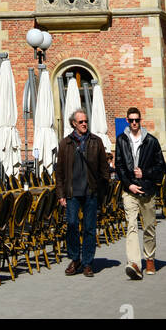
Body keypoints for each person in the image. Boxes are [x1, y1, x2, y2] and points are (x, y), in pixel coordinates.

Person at [55, 108, 110, 278]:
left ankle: (87, 262)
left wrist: (102, 188)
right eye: (81, 122)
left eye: (86, 121)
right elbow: (59, 172)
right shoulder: (65, 143)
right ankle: (74, 258)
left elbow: (104, 168)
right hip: (72, 192)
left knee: (89, 228)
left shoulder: (96, 141)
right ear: (73, 124)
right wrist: (60, 194)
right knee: (71, 225)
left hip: (90, 192)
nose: (84, 124)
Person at [114, 105, 165, 279]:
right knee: (131, 226)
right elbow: (119, 166)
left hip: (147, 190)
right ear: (127, 121)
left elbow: (160, 167)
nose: (134, 123)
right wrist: (129, 185)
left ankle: (149, 258)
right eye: (132, 120)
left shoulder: (151, 141)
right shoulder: (121, 140)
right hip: (129, 190)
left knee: (149, 226)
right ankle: (134, 263)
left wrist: (145, 173)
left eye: (137, 120)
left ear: (140, 121)